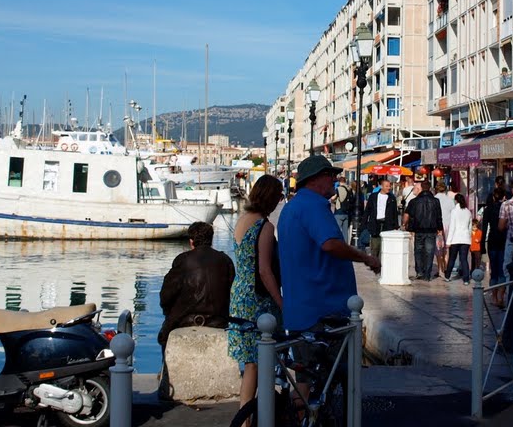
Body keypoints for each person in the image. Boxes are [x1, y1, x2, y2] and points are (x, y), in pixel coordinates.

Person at [278, 155, 380, 336]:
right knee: (334, 363)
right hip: (322, 312)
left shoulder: (292, 207)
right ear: (314, 178)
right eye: (329, 174)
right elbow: (330, 244)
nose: (334, 179)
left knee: (307, 363)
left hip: (301, 311)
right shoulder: (313, 205)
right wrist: (366, 258)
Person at [227, 176, 284, 413]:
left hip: (239, 295)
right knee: (262, 362)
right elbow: (264, 270)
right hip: (258, 300)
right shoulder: (265, 226)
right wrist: (282, 303)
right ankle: (259, 422)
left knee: (250, 363)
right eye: (278, 195)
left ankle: (244, 423)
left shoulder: (242, 220)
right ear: (271, 198)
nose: (280, 199)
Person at [159, 221, 234, 353]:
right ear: (211, 240)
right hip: (218, 321)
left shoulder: (183, 260)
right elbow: (231, 291)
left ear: (191, 241)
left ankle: (167, 372)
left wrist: (168, 312)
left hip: (185, 321)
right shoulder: (225, 260)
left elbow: (166, 295)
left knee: (164, 337)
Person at [402, 180, 444, 281]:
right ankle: (427, 274)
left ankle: (419, 271)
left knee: (418, 250)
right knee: (429, 252)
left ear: (421, 188)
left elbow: (408, 215)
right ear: (429, 188)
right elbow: (439, 216)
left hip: (418, 229)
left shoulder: (414, 201)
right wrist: (440, 228)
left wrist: (405, 225)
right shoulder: (435, 201)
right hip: (431, 230)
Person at [362, 178, 399, 260]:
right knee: (375, 246)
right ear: (381, 186)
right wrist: (364, 223)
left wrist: (396, 226)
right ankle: (375, 262)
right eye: (386, 186)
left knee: (385, 246)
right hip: (375, 223)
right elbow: (367, 210)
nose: (388, 188)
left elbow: (394, 213)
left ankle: (383, 263)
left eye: (389, 186)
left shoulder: (392, 198)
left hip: (387, 224)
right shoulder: (373, 196)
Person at [481, 189, 507, 306]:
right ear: (503, 197)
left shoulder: (488, 210)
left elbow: (484, 228)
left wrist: (482, 244)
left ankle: (494, 297)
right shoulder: (505, 208)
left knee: (494, 269)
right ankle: (501, 296)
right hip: (503, 240)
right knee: (502, 269)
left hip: (492, 240)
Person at [445, 193, 473, 283]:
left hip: (455, 239)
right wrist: (468, 237)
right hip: (465, 239)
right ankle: (466, 279)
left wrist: (448, 241)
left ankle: (448, 276)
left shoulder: (454, 211)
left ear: (456, 201)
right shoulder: (468, 212)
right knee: (464, 259)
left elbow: (452, 227)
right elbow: (470, 227)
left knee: (452, 258)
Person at [435, 183, 456, 276]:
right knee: (446, 248)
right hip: (448, 225)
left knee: (438, 248)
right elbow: (454, 213)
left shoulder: (434, 199)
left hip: (437, 226)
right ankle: (446, 268)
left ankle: (440, 269)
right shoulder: (450, 200)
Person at [333, 176, 352, 242]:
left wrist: (333, 200)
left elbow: (334, 198)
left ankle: (338, 246)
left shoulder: (339, 189)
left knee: (337, 230)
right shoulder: (349, 188)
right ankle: (345, 247)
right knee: (345, 232)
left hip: (339, 211)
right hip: (347, 212)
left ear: (339, 181)